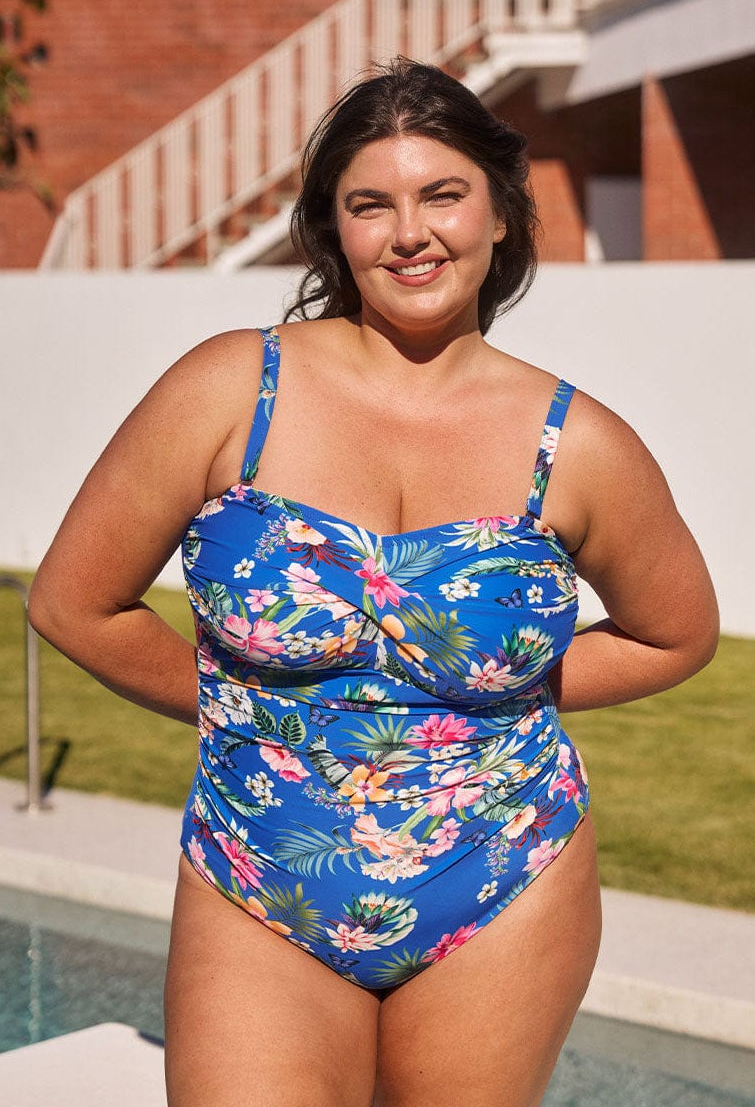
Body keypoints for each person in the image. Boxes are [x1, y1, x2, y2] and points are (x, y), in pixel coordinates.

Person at [29, 58, 718, 1106]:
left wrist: (487, 701)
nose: (409, 234)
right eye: (369, 205)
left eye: (442, 195)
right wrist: (241, 707)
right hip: (259, 870)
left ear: (500, 214)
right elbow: (73, 602)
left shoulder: (577, 445)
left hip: (502, 876)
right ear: (331, 228)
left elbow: (675, 634)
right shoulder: (229, 390)